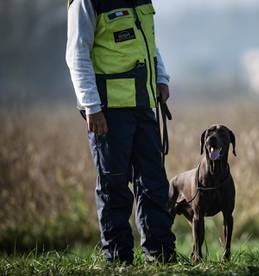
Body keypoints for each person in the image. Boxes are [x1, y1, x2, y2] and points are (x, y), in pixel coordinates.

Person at [65, 0, 176, 264]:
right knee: (114, 187)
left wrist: (161, 77)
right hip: (108, 111)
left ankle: (160, 255)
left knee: (154, 183)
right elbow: (76, 53)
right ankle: (118, 259)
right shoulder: (86, 2)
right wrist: (91, 106)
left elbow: (147, 43)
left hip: (143, 105)